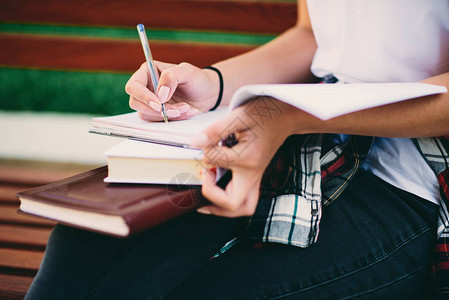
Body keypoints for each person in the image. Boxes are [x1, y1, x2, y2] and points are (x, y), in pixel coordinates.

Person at [26, 0, 449, 298]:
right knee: (83, 247)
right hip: (310, 145)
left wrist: (289, 114)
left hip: (408, 185)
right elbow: (314, 36)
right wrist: (212, 84)